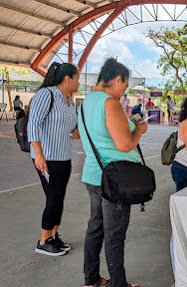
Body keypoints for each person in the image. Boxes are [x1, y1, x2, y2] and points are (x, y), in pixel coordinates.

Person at [78, 58, 146, 287]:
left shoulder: (87, 101)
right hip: (115, 180)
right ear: (117, 80)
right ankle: (118, 284)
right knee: (115, 234)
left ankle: (91, 279)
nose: (123, 93)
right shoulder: (110, 103)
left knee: (95, 228)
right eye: (123, 87)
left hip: (94, 175)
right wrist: (140, 130)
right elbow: (125, 144)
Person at [27, 62, 80, 256]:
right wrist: (38, 154)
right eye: (77, 78)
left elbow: (70, 124)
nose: (78, 83)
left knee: (59, 197)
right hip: (47, 158)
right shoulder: (46, 94)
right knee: (53, 198)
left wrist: (76, 130)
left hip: (63, 156)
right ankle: (43, 240)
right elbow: (33, 123)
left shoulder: (67, 100)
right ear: (68, 79)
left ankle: (54, 236)